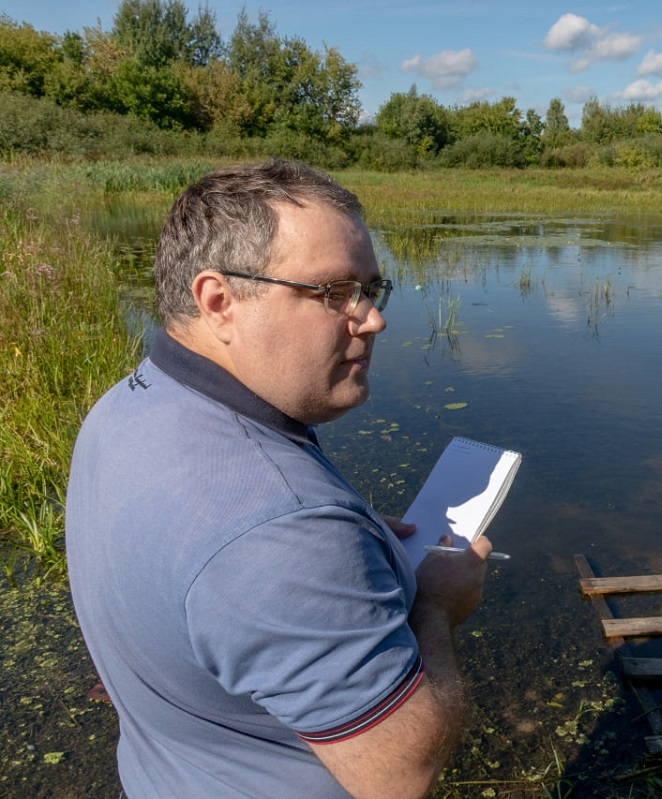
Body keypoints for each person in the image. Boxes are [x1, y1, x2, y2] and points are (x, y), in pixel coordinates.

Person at [66, 159, 492, 799]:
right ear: (220, 302)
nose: (371, 318)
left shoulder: (128, 405)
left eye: (372, 288)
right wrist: (434, 604)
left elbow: (209, 569)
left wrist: (353, 542)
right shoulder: (279, 530)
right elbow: (400, 774)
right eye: (332, 292)